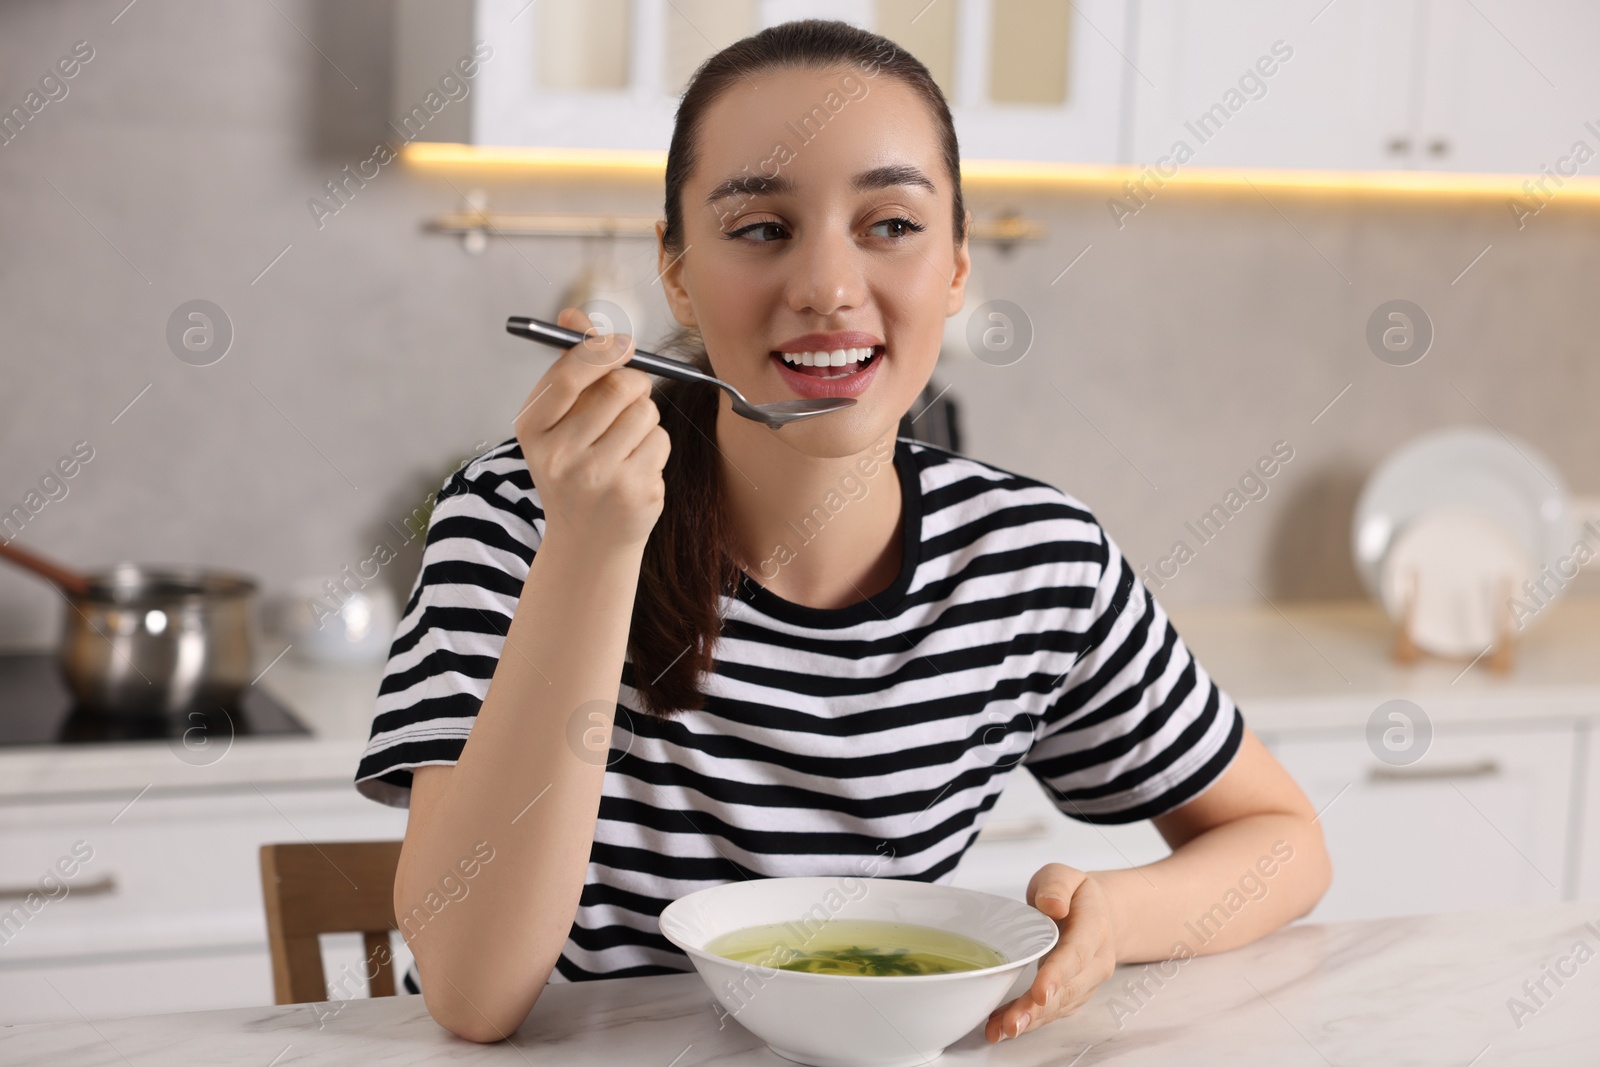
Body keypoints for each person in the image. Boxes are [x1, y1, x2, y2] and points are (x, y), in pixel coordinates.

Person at [355, 18, 1331, 1046]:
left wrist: (1111, 916)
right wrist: (594, 548)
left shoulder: (1031, 557)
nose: (825, 287)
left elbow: (1284, 842)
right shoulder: (521, 515)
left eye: (891, 224)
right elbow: (469, 989)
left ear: (956, 267)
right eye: (762, 228)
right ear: (677, 271)